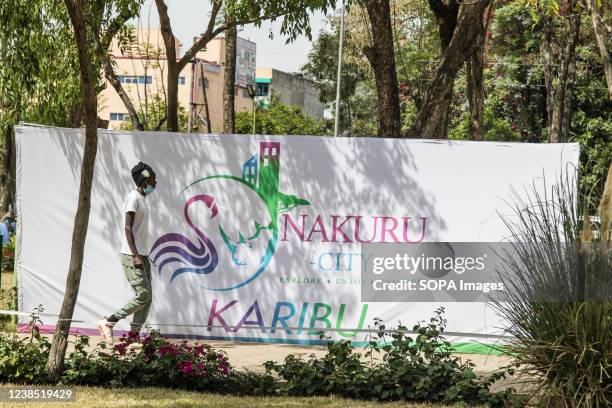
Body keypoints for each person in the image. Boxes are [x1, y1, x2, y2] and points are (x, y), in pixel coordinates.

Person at [98, 162, 157, 343]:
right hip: (133, 255)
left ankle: (133, 337)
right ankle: (108, 321)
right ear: (144, 180)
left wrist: (144, 255)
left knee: (147, 299)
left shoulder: (143, 199)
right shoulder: (133, 198)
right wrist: (135, 255)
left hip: (143, 255)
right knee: (143, 295)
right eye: (153, 180)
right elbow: (128, 228)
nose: (155, 184)